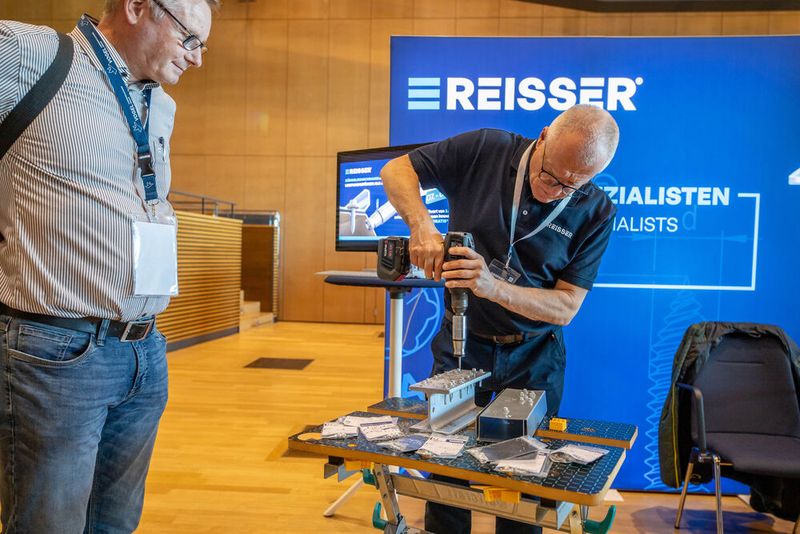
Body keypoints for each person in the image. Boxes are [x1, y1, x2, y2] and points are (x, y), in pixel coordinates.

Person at [0, 0, 216, 531]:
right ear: (139, 7)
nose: (197, 59)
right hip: (58, 354)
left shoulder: (160, 105)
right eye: (190, 39)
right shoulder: (29, 54)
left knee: (115, 523)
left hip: (144, 351)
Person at [380, 104, 620, 534]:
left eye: (573, 185)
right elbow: (396, 170)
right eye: (550, 175)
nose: (555, 191)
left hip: (533, 358)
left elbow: (566, 307)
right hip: (462, 344)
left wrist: (493, 287)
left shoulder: (596, 210)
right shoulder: (485, 149)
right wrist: (422, 227)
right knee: (446, 465)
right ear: (543, 136)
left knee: (524, 478)